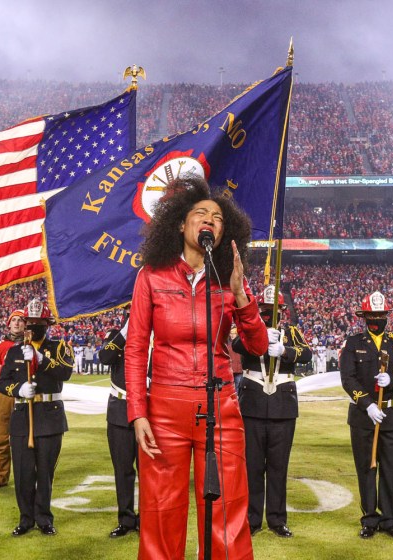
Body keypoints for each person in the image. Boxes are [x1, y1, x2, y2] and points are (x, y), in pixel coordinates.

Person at [124, 176, 268, 560]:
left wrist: (241, 295)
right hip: (164, 409)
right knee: (161, 511)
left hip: (221, 406)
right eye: (201, 213)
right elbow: (135, 348)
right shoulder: (151, 276)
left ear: (224, 232)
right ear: (180, 224)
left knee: (227, 512)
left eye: (217, 218)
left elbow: (258, 346)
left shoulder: (227, 281)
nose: (209, 220)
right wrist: (138, 412)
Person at [233, 286, 311, 538]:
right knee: (253, 466)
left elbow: (306, 354)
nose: (269, 313)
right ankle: (252, 519)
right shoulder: (248, 329)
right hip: (253, 405)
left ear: (283, 310)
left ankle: (277, 520)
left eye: (273, 309)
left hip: (282, 407)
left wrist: (285, 351)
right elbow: (236, 344)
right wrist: (259, 337)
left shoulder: (291, 332)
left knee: (278, 467)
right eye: (265, 309)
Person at [339, 291, 393, 539]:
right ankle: (369, 520)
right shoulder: (353, 343)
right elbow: (347, 378)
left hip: (391, 413)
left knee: (390, 470)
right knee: (366, 469)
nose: (376, 319)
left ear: (386, 316)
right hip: (363, 416)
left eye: (380, 315)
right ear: (364, 316)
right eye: (371, 315)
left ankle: (390, 520)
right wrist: (367, 405)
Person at [0, 299, 73, 537]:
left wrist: (40, 359)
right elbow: (2, 382)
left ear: (46, 324)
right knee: (23, 473)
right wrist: (18, 390)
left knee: (45, 473)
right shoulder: (14, 351)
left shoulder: (59, 347)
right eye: (28, 322)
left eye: (37, 322)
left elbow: (66, 372)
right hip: (22, 417)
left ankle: (44, 518)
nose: (31, 326)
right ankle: (26, 519)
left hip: (50, 417)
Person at [98, 312, 139, 538]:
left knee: (149, 472)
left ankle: (147, 518)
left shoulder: (156, 336)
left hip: (149, 409)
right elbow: (105, 357)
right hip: (120, 410)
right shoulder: (116, 335)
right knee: (122, 470)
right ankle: (126, 519)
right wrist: (125, 332)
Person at [0, 308, 25, 490]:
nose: (17, 323)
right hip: (4, 394)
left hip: (26, 393)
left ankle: (28, 475)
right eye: (13, 320)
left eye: (20, 320)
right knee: (0, 435)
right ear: (9, 324)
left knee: (27, 435)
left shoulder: (33, 344)